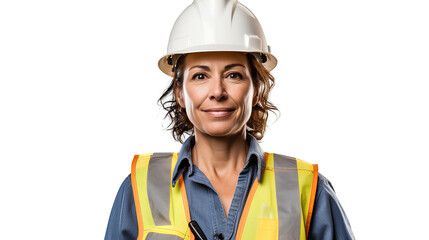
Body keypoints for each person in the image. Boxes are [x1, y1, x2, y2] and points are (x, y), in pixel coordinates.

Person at [105, 0, 355, 239]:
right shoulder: (140, 189)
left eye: (234, 75)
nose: (217, 91)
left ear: (256, 89)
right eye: (200, 76)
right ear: (180, 93)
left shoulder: (308, 189)